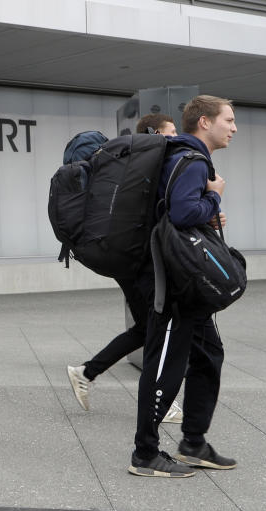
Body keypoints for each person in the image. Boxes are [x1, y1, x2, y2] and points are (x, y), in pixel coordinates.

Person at [128, 95, 237, 478]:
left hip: (186, 283)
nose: (234, 128)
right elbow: (183, 212)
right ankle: (145, 453)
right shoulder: (190, 160)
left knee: (209, 354)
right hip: (175, 283)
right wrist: (213, 196)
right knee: (164, 366)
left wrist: (207, 206)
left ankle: (193, 441)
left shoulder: (184, 158)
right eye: (228, 119)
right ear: (204, 122)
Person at [67, 113, 182, 424]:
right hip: (138, 259)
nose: (175, 136)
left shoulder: (133, 163)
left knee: (147, 327)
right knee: (159, 326)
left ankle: (87, 372)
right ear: (157, 132)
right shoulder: (150, 162)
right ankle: (161, 401)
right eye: (171, 131)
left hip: (123, 254)